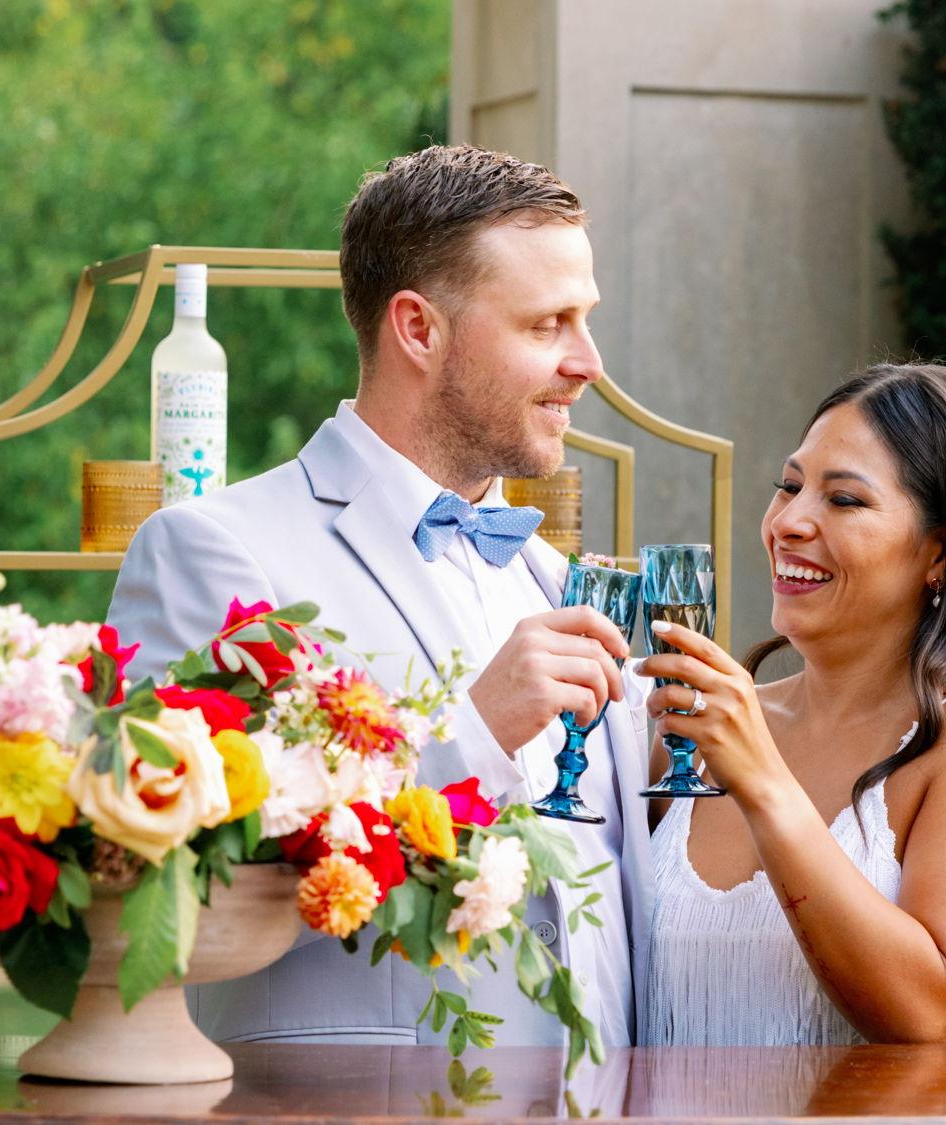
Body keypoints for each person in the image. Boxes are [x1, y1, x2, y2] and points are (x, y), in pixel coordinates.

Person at [106, 145, 646, 1048]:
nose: (588, 361)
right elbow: (167, 901)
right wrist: (474, 734)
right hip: (342, 1105)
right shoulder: (212, 554)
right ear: (419, 330)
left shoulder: (552, 578)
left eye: (583, 320)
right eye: (548, 324)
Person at [632, 362, 946, 1045]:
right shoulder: (696, 733)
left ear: (940, 553)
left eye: (844, 500)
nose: (789, 521)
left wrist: (763, 782)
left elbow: (925, 1007)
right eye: (789, 486)